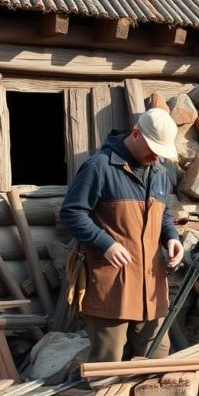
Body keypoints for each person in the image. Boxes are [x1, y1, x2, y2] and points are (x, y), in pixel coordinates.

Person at [60, 107, 184, 363]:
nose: (156, 157)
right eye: (153, 149)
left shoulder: (160, 174)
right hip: (111, 285)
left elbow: (162, 214)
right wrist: (105, 243)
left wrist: (171, 236)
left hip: (151, 287)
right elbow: (71, 213)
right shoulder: (99, 167)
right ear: (136, 134)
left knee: (158, 362)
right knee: (107, 366)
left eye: (161, 152)